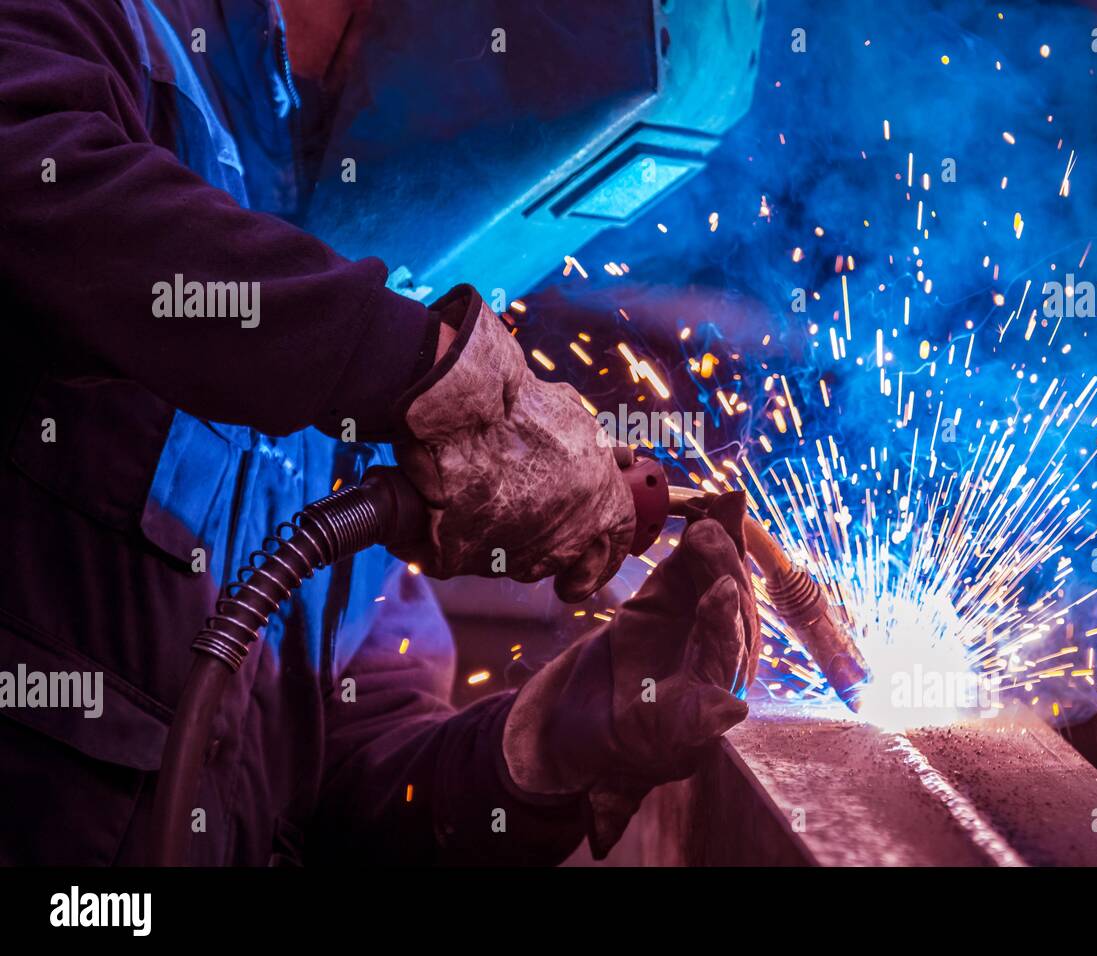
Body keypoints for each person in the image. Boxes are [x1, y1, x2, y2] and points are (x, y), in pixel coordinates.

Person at [0, 0, 757, 865]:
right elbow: (36, 178)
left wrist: (556, 736)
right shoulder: (108, 34)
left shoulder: (369, 253)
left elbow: (351, 766)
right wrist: (408, 362)